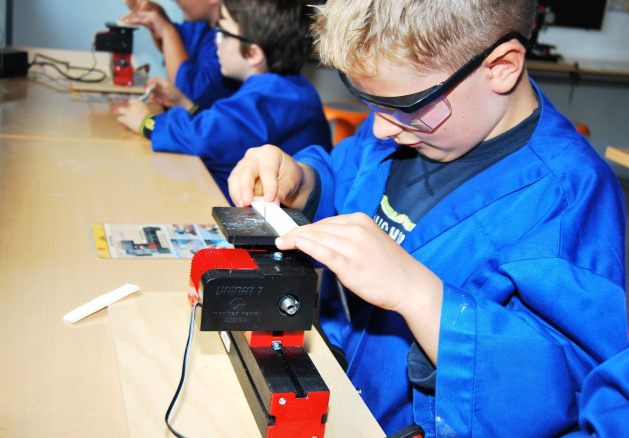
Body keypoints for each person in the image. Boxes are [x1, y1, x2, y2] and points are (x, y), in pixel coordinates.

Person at [226, 0, 628, 436]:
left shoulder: (571, 197)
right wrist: (301, 181)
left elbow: (571, 392)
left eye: (405, 105)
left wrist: (420, 295)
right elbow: (348, 173)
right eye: (368, 101)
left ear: (502, 67)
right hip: (323, 389)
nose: (380, 128)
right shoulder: (408, 119)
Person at [116, 0, 332, 202]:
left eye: (222, 32)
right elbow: (229, 131)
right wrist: (186, 104)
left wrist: (147, 122)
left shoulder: (269, 98)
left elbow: (203, 137)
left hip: (256, 221)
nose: (216, 42)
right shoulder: (285, 87)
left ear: (253, 54)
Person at [121, 0, 238, 109]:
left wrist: (166, 29)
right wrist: (157, 17)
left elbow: (184, 95)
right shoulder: (199, 25)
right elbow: (175, 51)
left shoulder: (232, 44)